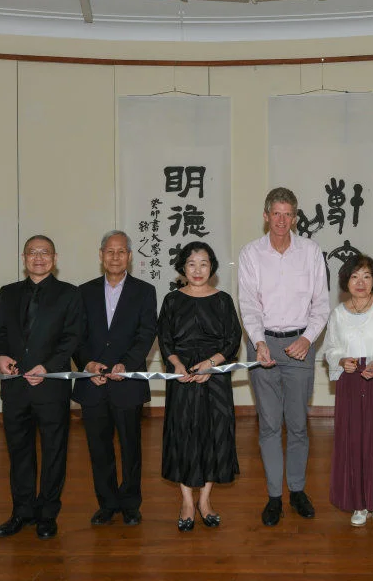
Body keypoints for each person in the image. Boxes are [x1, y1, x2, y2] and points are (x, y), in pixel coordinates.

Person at [237, 187, 329, 526]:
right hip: (264, 346)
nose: (281, 220)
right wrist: (258, 342)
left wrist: (308, 339)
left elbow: (321, 303)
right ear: (265, 215)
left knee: (299, 424)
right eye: (275, 213)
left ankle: (298, 489)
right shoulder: (250, 254)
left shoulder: (310, 252)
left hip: (300, 345)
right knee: (270, 424)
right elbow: (248, 303)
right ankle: (275, 495)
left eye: (288, 214)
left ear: (295, 217)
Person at [0, 235, 84, 539]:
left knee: (54, 451)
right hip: (16, 387)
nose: (39, 257)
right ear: (24, 257)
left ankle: (47, 513)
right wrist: (1, 356)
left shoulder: (69, 294)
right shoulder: (9, 292)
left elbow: (73, 337)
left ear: (54, 258)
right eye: (33, 252)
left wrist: (49, 367)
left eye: (45, 253)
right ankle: (22, 511)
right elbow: (0, 332)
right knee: (19, 452)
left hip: (50, 386)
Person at [74, 230, 157, 526]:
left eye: (121, 251)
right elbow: (76, 336)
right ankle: (107, 503)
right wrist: (87, 363)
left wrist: (127, 363)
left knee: (131, 447)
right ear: (100, 255)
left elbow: (146, 333)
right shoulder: (82, 292)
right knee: (99, 448)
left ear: (130, 257)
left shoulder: (145, 291)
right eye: (109, 251)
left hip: (127, 382)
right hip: (92, 383)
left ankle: (131, 504)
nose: (115, 256)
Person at [157, 242, 242, 532]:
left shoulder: (223, 300)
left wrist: (211, 364)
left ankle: (205, 500)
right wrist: (176, 365)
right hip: (180, 376)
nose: (197, 270)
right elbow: (165, 338)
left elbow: (233, 340)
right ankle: (186, 502)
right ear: (183, 266)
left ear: (212, 267)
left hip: (214, 376)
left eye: (203, 263)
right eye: (191, 263)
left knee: (213, 434)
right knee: (183, 434)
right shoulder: (171, 300)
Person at [320, 255, 373, 530]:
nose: (360, 282)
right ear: (346, 280)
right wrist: (341, 359)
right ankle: (358, 502)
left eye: (366, 276)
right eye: (355, 276)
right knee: (353, 441)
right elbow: (331, 348)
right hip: (350, 382)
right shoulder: (338, 314)